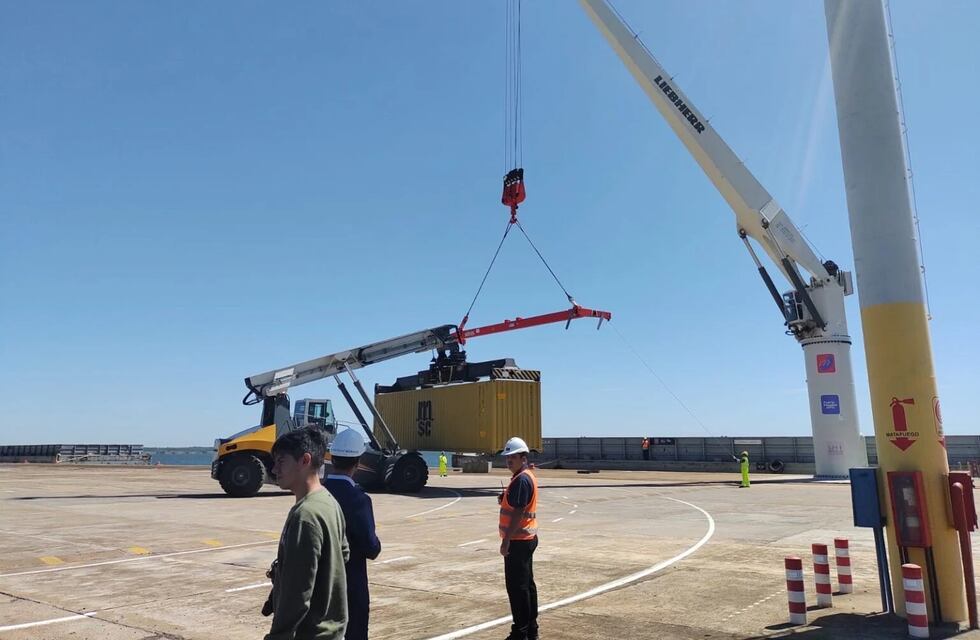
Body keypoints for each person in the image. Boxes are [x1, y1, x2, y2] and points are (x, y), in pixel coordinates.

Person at [263, 427, 349, 640]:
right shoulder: (329, 502)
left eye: (281, 461)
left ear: (305, 460)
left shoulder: (306, 515)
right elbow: (344, 553)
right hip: (332, 630)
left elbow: (298, 592)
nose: (274, 469)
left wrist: (278, 636)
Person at [324, 429, 382, 640]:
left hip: (320, 587)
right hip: (350, 586)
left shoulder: (318, 494)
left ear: (333, 458)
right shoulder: (359, 499)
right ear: (358, 462)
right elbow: (371, 547)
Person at [498, 436, 539, 640]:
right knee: (527, 585)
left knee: (517, 588)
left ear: (523, 457)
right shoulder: (524, 476)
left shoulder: (521, 479)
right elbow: (517, 505)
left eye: (512, 457)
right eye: (507, 457)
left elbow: (519, 512)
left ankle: (520, 632)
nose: (508, 461)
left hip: (518, 541)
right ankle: (531, 629)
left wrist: (506, 540)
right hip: (526, 538)